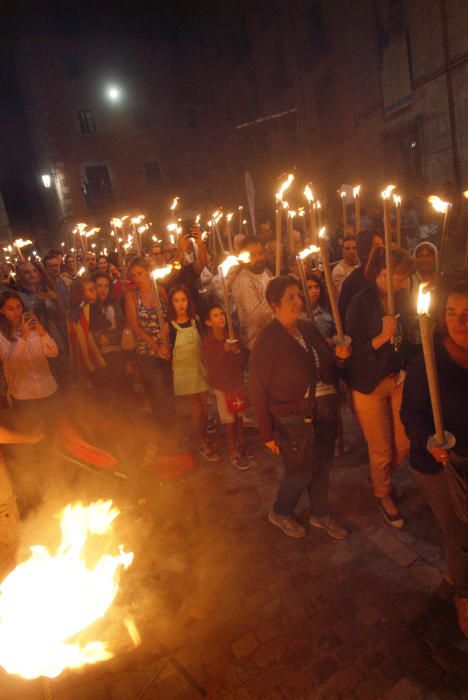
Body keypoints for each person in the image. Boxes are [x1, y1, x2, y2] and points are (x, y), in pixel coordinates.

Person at [249, 275, 350, 539]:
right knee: (299, 471)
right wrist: (267, 433)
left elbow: (326, 365)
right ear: (274, 304)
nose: (298, 301)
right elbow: (257, 389)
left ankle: (320, 513)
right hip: (293, 416)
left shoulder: (307, 328)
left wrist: (339, 359)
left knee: (323, 466)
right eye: (290, 297)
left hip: (324, 409)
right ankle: (281, 511)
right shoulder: (268, 341)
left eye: (298, 295)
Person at [401, 281, 468, 637]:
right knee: (460, 533)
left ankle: (455, 573)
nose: (461, 323)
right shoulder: (427, 360)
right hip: (438, 465)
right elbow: (410, 412)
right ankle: (464, 597)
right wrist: (430, 441)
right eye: (453, 314)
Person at [346, 246, 415, 528]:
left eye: (402, 277)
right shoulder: (360, 303)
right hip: (369, 384)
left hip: (397, 379)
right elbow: (350, 350)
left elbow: (408, 338)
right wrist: (381, 337)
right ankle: (382, 492)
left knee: (405, 440)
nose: (400, 282)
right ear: (381, 272)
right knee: (381, 450)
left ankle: (380, 476)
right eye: (395, 276)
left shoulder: (402, 299)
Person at [168, 286, 219, 461]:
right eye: (176, 301)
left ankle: (205, 434)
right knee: (196, 406)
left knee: (205, 406)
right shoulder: (169, 326)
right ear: (171, 303)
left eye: (183, 300)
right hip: (184, 371)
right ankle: (202, 441)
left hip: (199, 366)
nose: (180, 304)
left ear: (188, 301)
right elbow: (167, 350)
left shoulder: (195, 320)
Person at [124, 257, 172, 431]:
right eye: (133, 275)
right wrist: (155, 346)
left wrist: (166, 328)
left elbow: (169, 315)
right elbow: (135, 325)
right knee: (157, 388)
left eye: (140, 274)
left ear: (148, 273)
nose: (137, 278)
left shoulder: (160, 291)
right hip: (147, 350)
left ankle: (172, 422)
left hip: (166, 347)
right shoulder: (131, 296)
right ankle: (165, 427)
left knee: (168, 386)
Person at [203, 303, 251, 470]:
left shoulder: (231, 334)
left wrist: (237, 352)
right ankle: (233, 452)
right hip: (222, 385)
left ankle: (242, 445)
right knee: (228, 420)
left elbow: (241, 359)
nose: (221, 317)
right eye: (215, 315)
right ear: (208, 322)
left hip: (236, 382)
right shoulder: (208, 342)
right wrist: (224, 350)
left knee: (239, 417)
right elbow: (212, 365)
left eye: (222, 314)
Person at [0, 290, 58, 428]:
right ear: (1, 311)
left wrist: (42, 331)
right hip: (24, 396)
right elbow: (11, 362)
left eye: (18, 307)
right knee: (33, 438)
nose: (16, 312)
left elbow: (53, 352)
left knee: (54, 432)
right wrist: (23, 337)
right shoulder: (2, 336)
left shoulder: (32, 326)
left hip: (48, 389)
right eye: (10, 309)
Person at [231, 237, 273, 352]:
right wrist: (274, 295)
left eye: (260, 253)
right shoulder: (244, 282)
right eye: (253, 255)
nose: (259, 258)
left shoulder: (264, 273)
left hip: (272, 340)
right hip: (257, 345)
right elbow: (256, 320)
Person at [338, 231, 383, 325]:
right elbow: (344, 316)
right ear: (365, 249)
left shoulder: (386, 273)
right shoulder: (352, 282)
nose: (382, 249)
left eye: (382, 245)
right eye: (376, 246)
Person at [305, 273, 335, 341]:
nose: (314, 291)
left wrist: (332, 340)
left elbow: (336, 329)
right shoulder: (301, 314)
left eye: (316, 287)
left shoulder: (327, 307)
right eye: (309, 288)